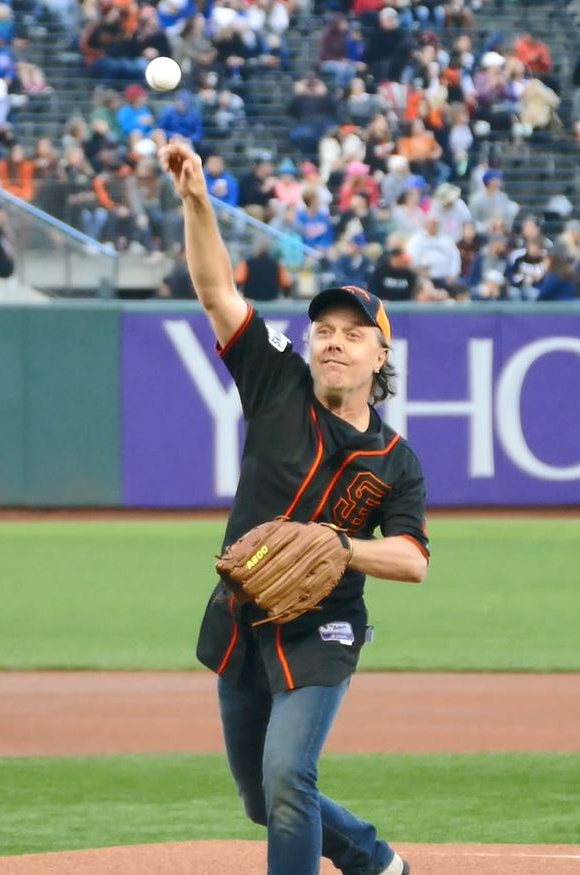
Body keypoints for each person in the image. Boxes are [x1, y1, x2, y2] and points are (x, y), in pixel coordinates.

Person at [161, 138, 425, 875]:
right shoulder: (275, 382)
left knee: (288, 777)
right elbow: (217, 292)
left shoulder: (395, 461)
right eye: (324, 332)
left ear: (380, 358)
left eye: (352, 335)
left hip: (325, 626)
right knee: (259, 797)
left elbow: (411, 559)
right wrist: (195, 202)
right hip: (243, 612)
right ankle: (372, 857)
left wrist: (341, 548)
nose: (333, 343)